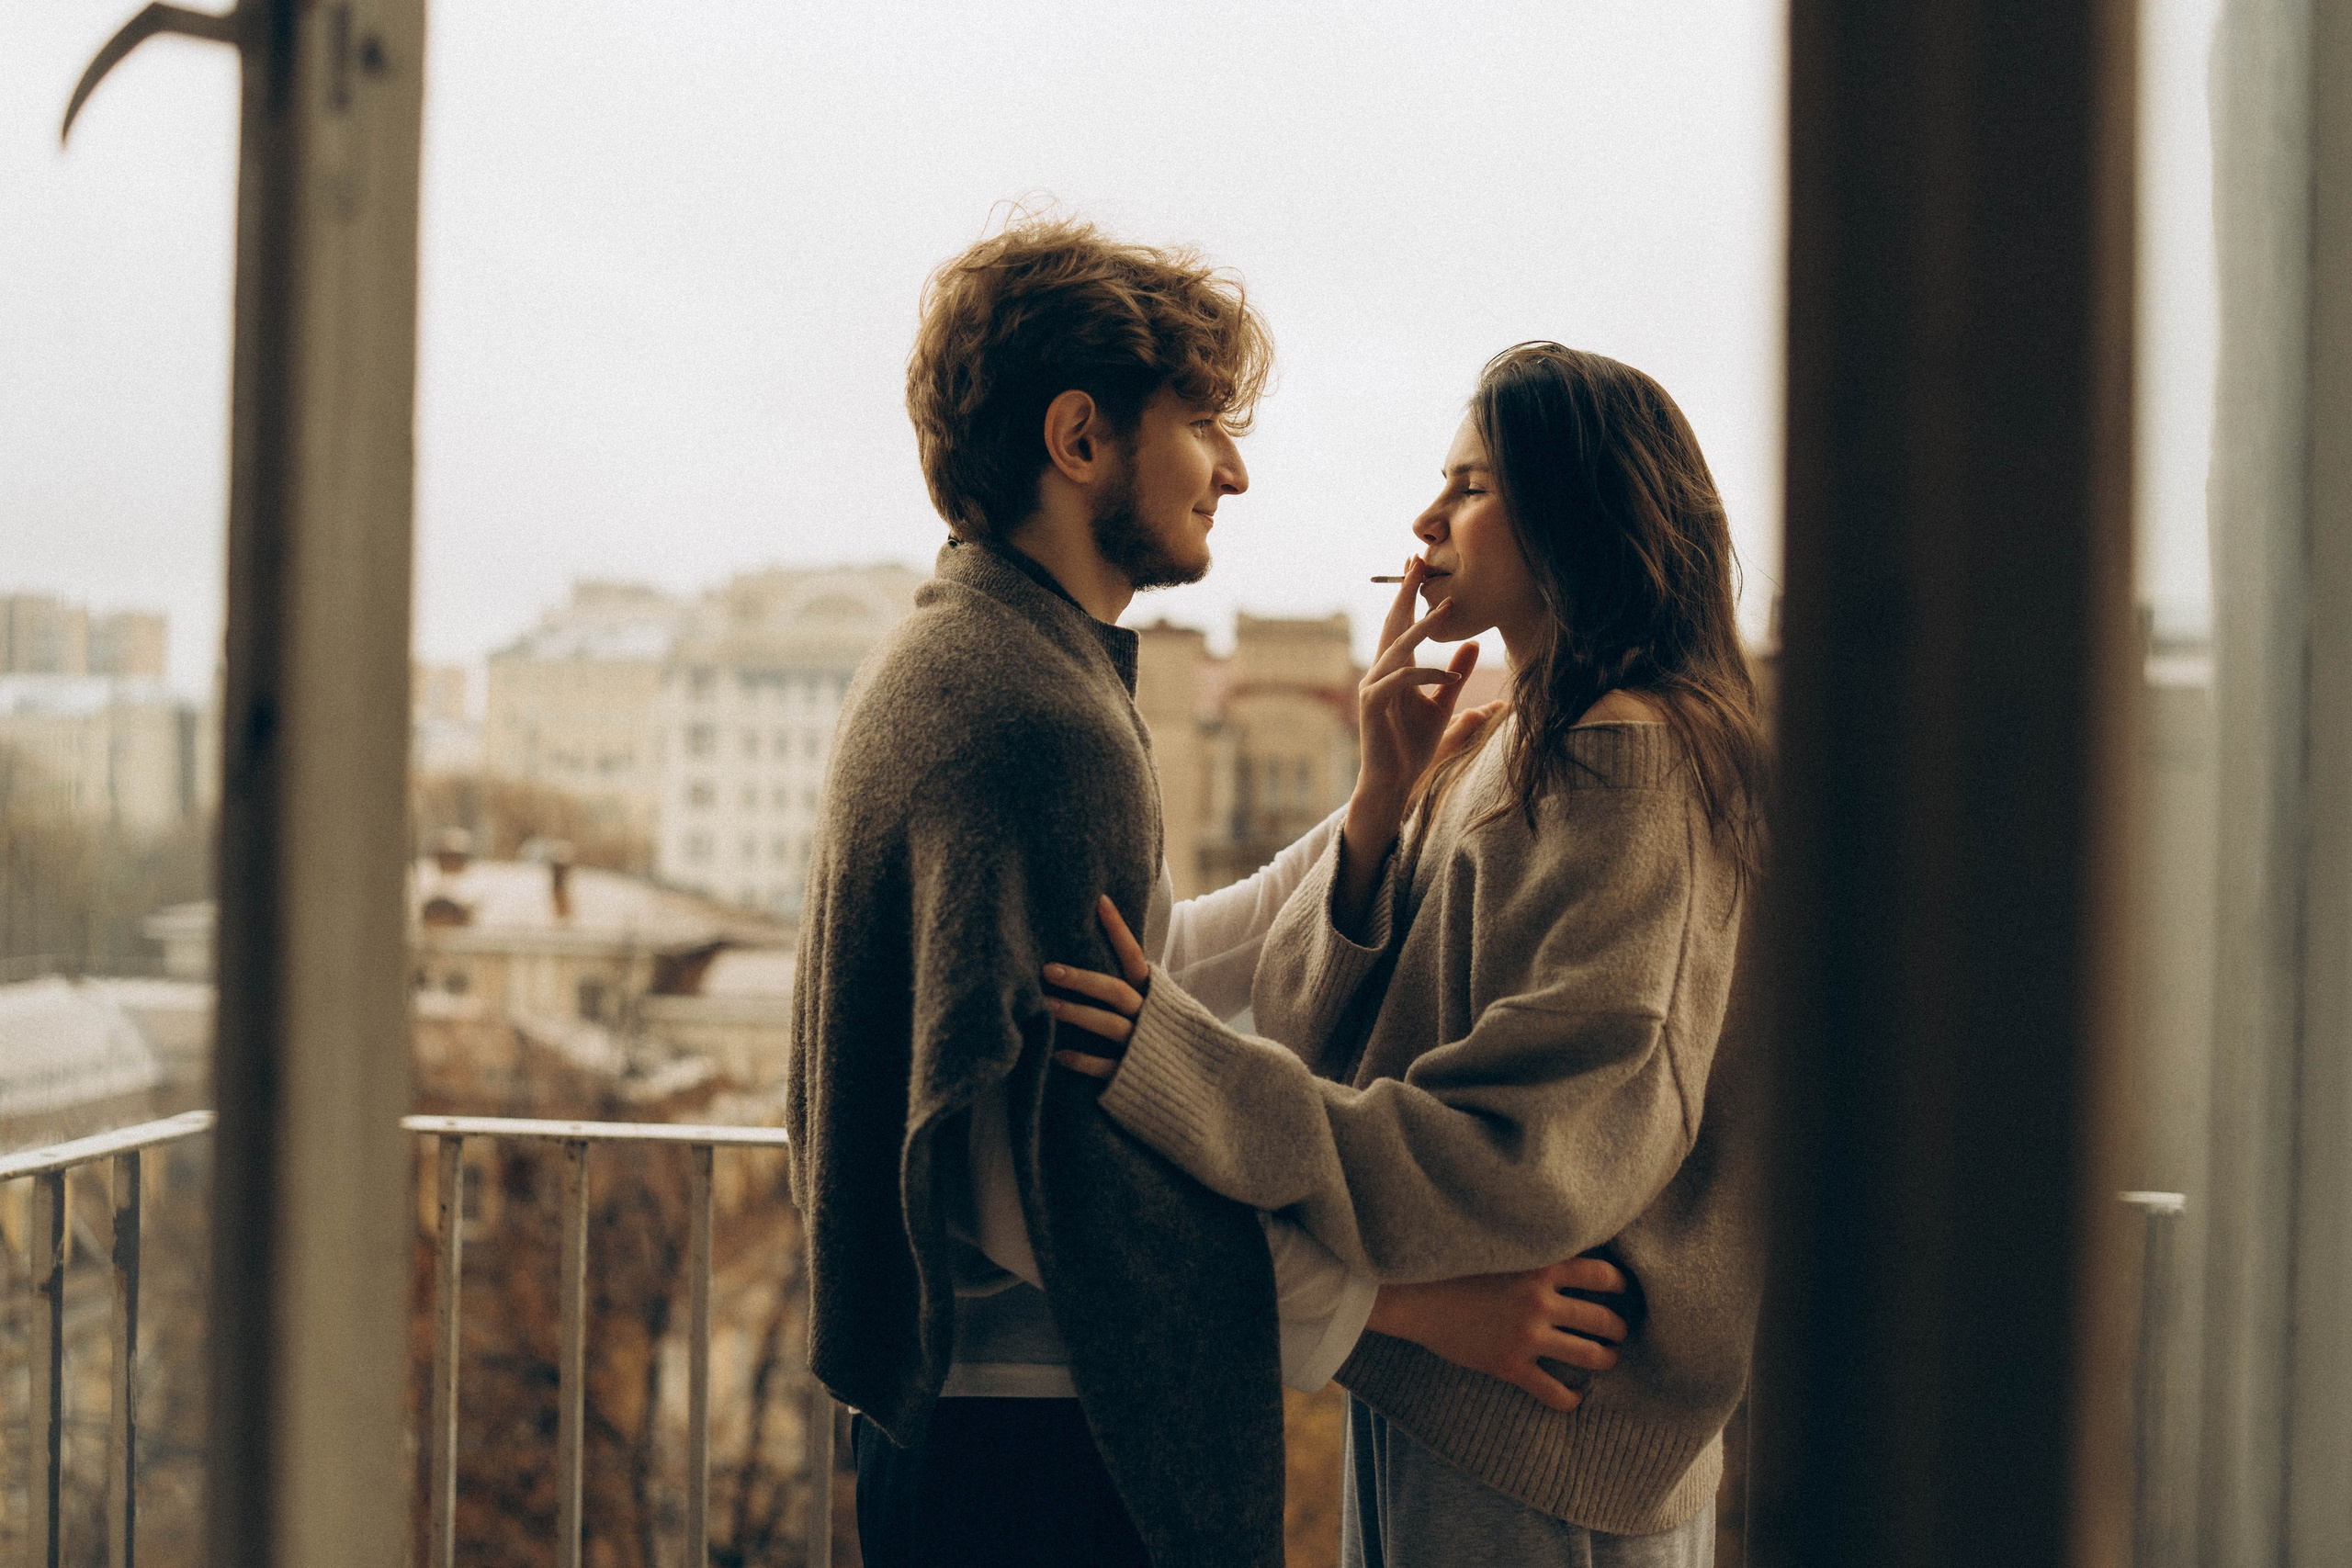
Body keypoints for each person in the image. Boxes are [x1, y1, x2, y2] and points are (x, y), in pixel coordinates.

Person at [786, 228, 1633, 1568]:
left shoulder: (963, 658)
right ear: (1079, 438)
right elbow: (1026, 1182)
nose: (1233, 470)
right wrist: (1408, 1310)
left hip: (972, 1443)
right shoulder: (1035, 718)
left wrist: (1376, 805)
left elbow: (1141, 977)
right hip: (1042, 1460)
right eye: (1201, 424)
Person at [1045, 343, 1770, 1567]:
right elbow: (1309, 1024)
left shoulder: (1629, 764)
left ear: (1577, 516)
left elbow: (1537, 1158)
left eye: (1471, 488)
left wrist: (1184, 1072)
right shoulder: (1502, 743)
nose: (1426, 520)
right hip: (1450, 1388)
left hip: (1548, 1432)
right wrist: (1382, 798)